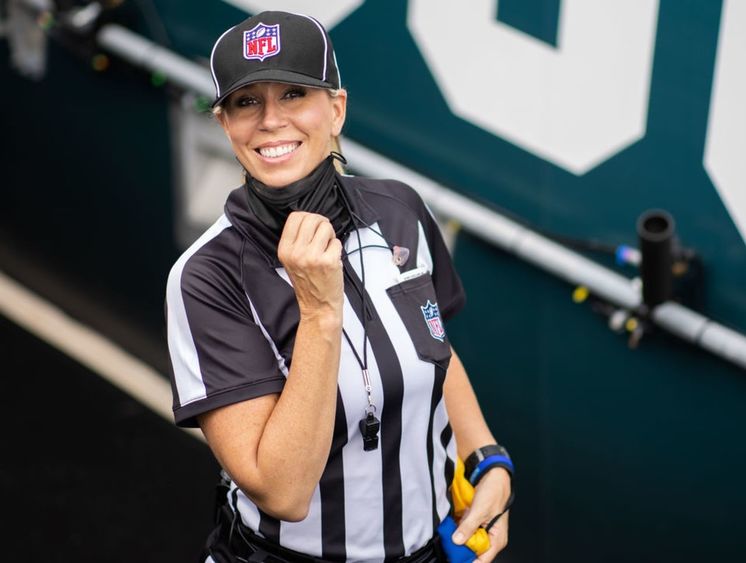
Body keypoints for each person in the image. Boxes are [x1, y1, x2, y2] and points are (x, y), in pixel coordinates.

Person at [166, 10, 513, 563]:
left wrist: (487, 459)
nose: (271, 121)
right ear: (225, 125)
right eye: (246, 102)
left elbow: (433, 346)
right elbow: (282, 492)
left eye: (295, 94)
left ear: (337, 110)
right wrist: (320, 311)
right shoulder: (207, 277)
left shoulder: (400, 210)